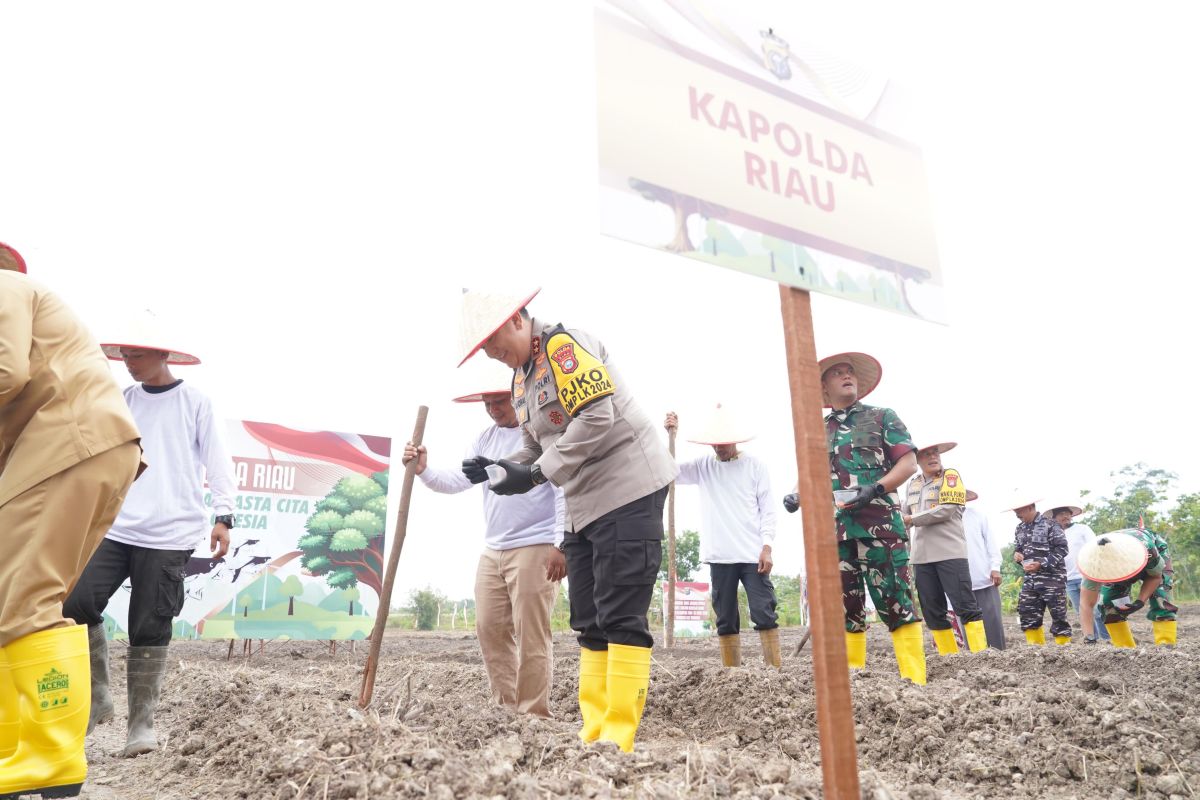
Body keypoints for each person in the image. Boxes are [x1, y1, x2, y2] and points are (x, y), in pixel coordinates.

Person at [456, 288, 676, 753]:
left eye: (496, 343)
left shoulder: (562, 347)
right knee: (588, 616)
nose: (496, 356)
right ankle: (593, 726)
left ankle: (620, 732)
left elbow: (598, 417)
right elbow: (536, 445)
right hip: (582, 500)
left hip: (628, 485)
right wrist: (503, 467)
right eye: (486, 351)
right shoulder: (521, 378)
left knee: (620, 611)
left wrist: (535, 473)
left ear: (517, 318)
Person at [1, 243, 142, 799]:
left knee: (25, 599)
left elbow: (4, 369)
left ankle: (51, 758)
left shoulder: (4, 286)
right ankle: (21, 751)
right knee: (16, 597)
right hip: (76, 448)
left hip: (69, 445)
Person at [63, 314, 237, 757]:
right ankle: (98, 697)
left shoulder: (195, 402)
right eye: (123, 354)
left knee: (149, 622)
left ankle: (141, 725)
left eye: (135, 354)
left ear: (162, 355)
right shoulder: (123, 399)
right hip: (118, 526)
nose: (127, 362)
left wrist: (225, 516)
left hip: (170, 532)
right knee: (75, 601)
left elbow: (218, 462)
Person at [403, 364, 565, 717]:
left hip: (535, 545)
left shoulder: (541, 434)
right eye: (487, 403)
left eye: (500, 402)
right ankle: (506, 707)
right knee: (489, 627)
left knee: (532, 632)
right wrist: (424, 471)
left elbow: (563, 489)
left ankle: (533, 713)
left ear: (517, 397)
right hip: (494, 549)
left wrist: (560, 543)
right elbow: (458, 481)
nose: (494, 409)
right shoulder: (485, 438)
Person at [796, 352, 924, 684]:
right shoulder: (816, 430)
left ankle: (915, 681)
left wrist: (876, 488)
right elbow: (809, 473)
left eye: (849, 372)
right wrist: (796, 493)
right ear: (824, 387)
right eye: (837, 373)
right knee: (844, 609)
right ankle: (854, 683)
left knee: (896, 600)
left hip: (880, 525)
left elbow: (908, 464)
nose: (845, 376)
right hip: (835, 532)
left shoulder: (882, 417)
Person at [664, 405, 780, 668]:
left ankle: (774, 672)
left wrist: (767, 546)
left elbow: (768, 510)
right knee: (725, 618)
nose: (719, 448)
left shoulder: (755, 466)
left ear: (735, 440)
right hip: (719, 556)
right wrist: (672, 435)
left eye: (723, 443)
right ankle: (732, 675)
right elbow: (668, 471)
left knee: (764, 612)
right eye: (714, 444)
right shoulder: (703, 466)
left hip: (753, 554)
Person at [901, 441, 987, 654]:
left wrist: (911, 519)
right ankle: (950, 656)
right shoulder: (912, 484)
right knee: (932, 611)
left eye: (935, 453)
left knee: (965, 606)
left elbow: (947, 510)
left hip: (950, 552)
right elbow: (901, 516)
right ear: (916, 460)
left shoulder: (951, 477)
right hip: (921, 557)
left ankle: (981, 657)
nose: (933, 457)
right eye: (927, 454)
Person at [1077, 528, 1178, 647]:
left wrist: (1140, 601)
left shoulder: (1148, 549)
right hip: (1113, 564)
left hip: (1149, 554)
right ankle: (1124, 648)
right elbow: (1086, 604)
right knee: (1108, 604)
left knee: (1161, 595)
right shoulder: (1093, 566)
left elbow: (1155, 577)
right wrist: (1089, 637)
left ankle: (1166, 645)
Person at [1006, 493, 1071, 645]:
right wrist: (1018, 556)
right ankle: (1035, 652)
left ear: (1029, 508)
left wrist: (1042, 563)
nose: (1017, 516)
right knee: (1027, 613)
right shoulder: (1020, 528)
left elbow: (1062, 549)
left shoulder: (1050, 524)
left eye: (1019, 512)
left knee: (1059, 616)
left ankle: (1064, 652)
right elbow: (1019, 549)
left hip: (1053, 579)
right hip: (1030, 579)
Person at [1050, 504, 1109, 642]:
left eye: (1067, 513)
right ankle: (1091, 639)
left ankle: (1106, 639)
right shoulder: (1053, 535)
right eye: (1061, 514)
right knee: (1081, 611)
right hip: (1068, 579)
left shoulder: (1082, 529)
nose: (1065, 516)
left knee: (1097, 610)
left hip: (1087, 575)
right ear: (1054, 518)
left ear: (1071, 515)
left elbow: (1094, 543)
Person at [962, 490, 1005, 649]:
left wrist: (995, 567)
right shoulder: (943, 519)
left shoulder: (977, 516)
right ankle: (976, 661)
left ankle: (999, 658)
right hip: (958, 581)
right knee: (968, 625)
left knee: (993, 622)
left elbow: (991, 543)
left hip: (983, 577)